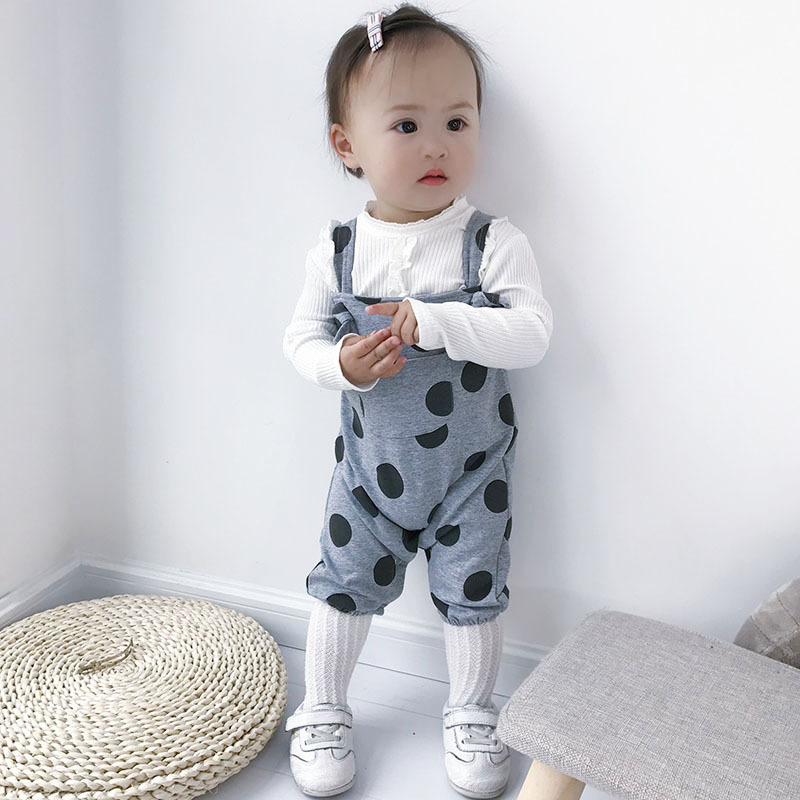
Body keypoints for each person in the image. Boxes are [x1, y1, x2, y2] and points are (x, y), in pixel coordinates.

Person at [281, 4, 553, 797]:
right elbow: (298, 341)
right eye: (406, 125)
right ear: (348, 147)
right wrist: (343, 364)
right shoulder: (339, 252)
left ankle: (470, 711)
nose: (437, 145)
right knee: (342, 583)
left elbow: (532, 334)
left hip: (472, 474)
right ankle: (323, 706)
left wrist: (439, 323)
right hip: (371, 476)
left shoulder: (489, 242)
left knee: (474, 592)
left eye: (457, 122)